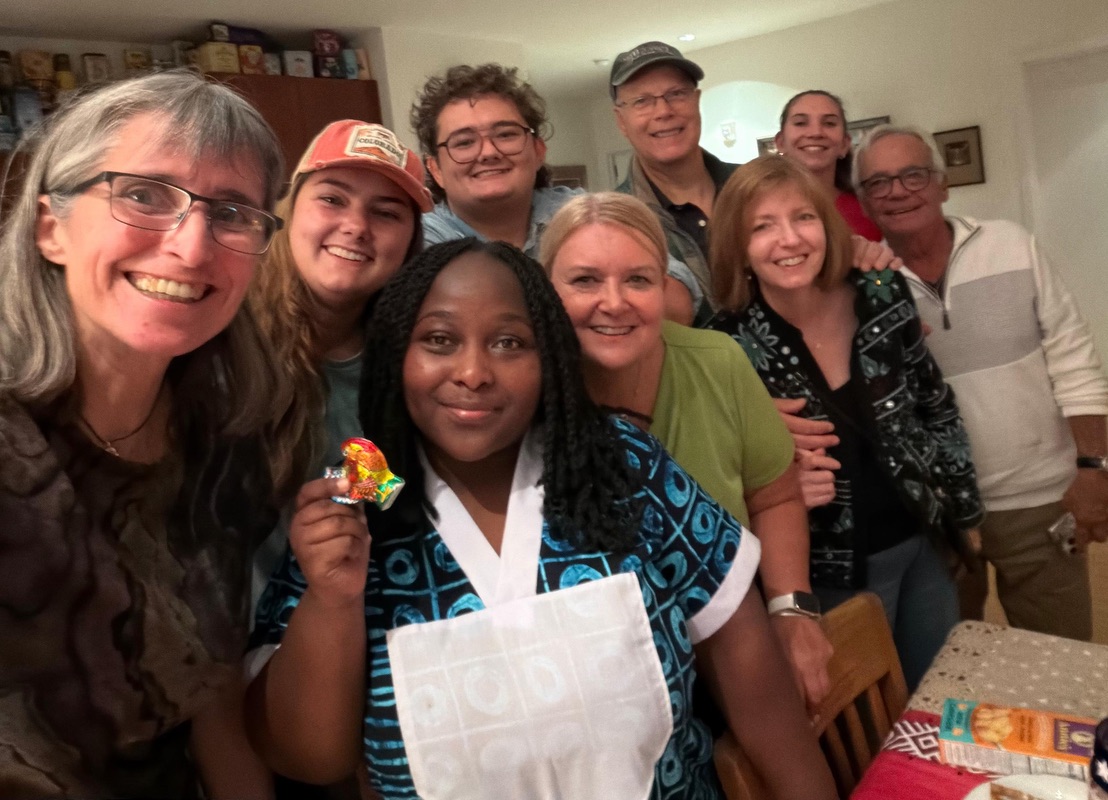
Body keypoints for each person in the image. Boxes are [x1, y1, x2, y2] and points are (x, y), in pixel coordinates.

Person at [246, 239, 837, 799]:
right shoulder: (364, 496)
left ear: (549, 357)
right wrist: (331, 600)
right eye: (439, 340)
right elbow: (309, 759)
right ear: (396, 353)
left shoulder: (622, 466)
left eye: (509, 343)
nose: (474, 372)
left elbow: (756, 683)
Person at [0, 71, 301, 798]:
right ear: (51, 227)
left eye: (231, 211)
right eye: (143, 194)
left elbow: (213, 701)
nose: (192, 247)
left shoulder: (225, 452)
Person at [540, 191, 834, 713]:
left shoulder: (717, 362)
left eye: (638, 279)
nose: (614, 301)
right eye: (585, 280)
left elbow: (775, 496)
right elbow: (393, 471)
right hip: (603, 691)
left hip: (734, 663)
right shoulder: (522, 390)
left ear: (664, 287)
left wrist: (793, 610)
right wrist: (346, 483)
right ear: (545, 291)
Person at [704, 154, 984, 690]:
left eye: (802, 218)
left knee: (940, 699)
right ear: (736, 245)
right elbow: (713, 469)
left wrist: (965, 510)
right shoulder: (723, 344)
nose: (789, 239)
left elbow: (933, 402)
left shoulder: (882, 292)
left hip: (920, 540)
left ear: (827, 226)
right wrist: (771, 481)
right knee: (860, 728)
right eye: (762, 226)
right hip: (822, 572)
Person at [853, 124, 1108, 641]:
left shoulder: (1012, 246)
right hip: (936, 516)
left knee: (1061, 658)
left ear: (943, 185)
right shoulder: (861, 286)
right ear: (863, 200)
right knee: (951, 669)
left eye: (913, 175)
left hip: (1039, 501)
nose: (898, 191)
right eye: (878, 183)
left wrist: (1094, 467)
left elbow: (1074, 360)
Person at [248, 119, 431, 607]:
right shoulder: (222, 329)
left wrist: (357, 491)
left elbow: (387, 494)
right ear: (288, 210)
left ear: (410, 242)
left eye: (386, 212)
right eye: (332, 199)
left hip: (342, 625)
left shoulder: (404, 361)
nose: (356, 226)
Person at [610, 42, 900, 321]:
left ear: (697, 101)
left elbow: (824, 270)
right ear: (621, 121)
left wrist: (859, 260)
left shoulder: (762, 188)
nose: (663, 111)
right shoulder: (618, 226)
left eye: (676, 94)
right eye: (642, 101)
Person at [411, 62, 702, 323]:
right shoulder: (416, 243)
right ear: (435, 169)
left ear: (539, 151)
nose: (488, 152)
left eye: (506, 134)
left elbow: (677, 300)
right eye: (464, 142)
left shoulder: (582, 212)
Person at [774, 89, 882, 241]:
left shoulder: (870, 211)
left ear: (845, 144)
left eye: (829, 123)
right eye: (800, 123)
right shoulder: (755, 208)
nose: (815, 133)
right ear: (780, 143)